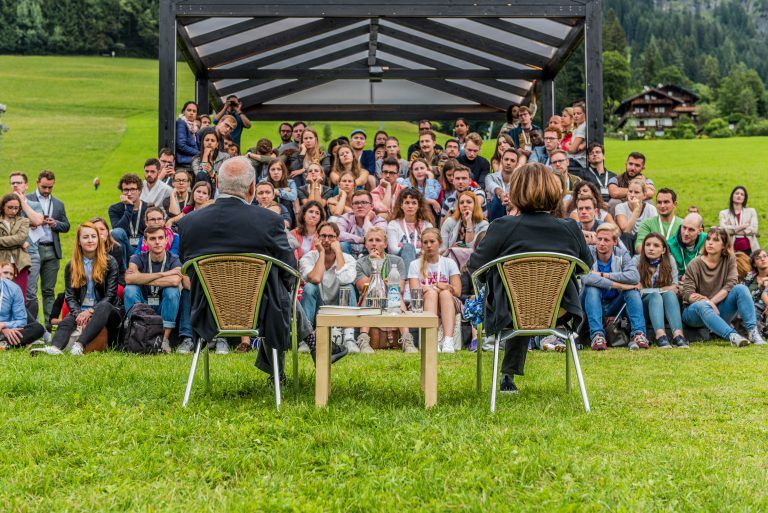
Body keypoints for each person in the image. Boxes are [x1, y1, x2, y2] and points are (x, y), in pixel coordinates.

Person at [468, 163, 592, 393]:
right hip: (559, 311)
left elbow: (474, 266)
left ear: (516, 192)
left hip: (511, 312)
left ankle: (507, 376)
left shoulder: (502, 226)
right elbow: (586, 266)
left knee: (514, 295)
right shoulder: (570, 228)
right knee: (523, 294)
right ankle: (508, 375)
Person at [178, 157, 300, 380]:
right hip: (262, 314)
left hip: (208, 312)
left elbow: (187, 268)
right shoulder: (268, 221)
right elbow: (290, 269)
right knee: (278, 288)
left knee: (276, 286)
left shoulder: (189, 223)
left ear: (217, 184)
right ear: (252, 188)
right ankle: (295, 356)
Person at [31, 222, 121, 356]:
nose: (90, 240)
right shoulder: (71, 266)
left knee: (104, 306)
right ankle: (55, 348)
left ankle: (79, 345)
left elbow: (110, 296)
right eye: (85, 237)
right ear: (79, 241)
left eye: (93, 236)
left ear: (98, 239)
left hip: (109, 312)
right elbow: (70, 296)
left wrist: (90, 311)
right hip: (82, 310)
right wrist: (78, 312)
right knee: (68, 320)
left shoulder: (110, 262)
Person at [681, 227, 766, 347]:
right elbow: (687, 294)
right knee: (702, 305)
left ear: (724, 245)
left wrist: (711, 302)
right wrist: (707, 303)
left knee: (741, 289)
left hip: (719, 309)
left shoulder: (729, 260)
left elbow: (731, 284)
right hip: (694, 313)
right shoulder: (695, 264)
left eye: (715, 240)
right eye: (708, 239)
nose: (710, 242)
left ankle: (753, 332)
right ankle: (733, 336)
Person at [581, 223, 649, 351]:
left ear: (615, 242)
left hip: (614, 304)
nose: (601, 243)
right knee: (592, 287)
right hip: (590, 301)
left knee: (632, 291)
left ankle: (639, 334)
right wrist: (620, 285)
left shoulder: (622, 254)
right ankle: (597, 336)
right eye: (599, 239)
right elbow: (586, 277)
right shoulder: (588, 252)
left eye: (606, 240)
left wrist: (603, 275)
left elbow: (634, 277)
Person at [125, 225, 191, 354]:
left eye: (161, 238)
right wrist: (164, 274)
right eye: (152, 238)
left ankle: (163, 340)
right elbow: (129, 279)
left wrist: (142, 278)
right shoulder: (137, 258)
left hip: (163, 306)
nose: (157, 242)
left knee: (172, 290)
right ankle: (138, 335)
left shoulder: (174, 259)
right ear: (145, 242)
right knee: (130, 289)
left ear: (166, 240)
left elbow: (175, 281)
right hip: (143, 304)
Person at [353, 227, 415, 353]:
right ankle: (363, 340)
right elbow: (364, 287)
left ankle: (407, 340)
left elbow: (401, 288)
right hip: (369, 300)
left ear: (385, 244)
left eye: (378, 240)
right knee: (371, 292)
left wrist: (390, 284)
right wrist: (375, 265)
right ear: (365, 244)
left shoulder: (397, 261)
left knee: (395, 292)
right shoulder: (360, 263)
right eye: (370, 240)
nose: (374, 243)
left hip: (392, 300)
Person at [299, 222, 358, 351]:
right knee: (309, 287)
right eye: (323, 236)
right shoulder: (308, 257)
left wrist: (338, 251)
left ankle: (349, 338)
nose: (326, 240)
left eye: (331, 236)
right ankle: (306, 339)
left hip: (339, 306)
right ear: (317, 238)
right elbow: (315, 278)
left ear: (337, 239)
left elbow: (344, 279)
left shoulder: (348, 259)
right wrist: (321, 254)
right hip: (317, 308)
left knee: (347, 287)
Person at [408, 228, 462, 353]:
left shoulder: (449, 263)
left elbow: (458, 291)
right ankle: (432, 340)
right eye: (425, 242)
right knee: (432, 293)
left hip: (448, 301)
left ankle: (448, 340)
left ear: (440, 243)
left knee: (445, 294)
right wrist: (433, 288)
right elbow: (414, 292)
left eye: (432, 241)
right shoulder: (414, 264)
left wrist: (444, 287)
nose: (428, 245)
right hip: (425, 302)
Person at [28, 170, 69, 331]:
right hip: (33, 248)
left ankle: (48, 325)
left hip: (52, 250)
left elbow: (66, 226)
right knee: (30, 290)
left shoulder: (58, 203)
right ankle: (33, 324)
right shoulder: (28, 199)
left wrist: (55, 223)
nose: (46, 190)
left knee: (48, 290)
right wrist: (31, 223)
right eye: (44, 187)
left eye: (50, 187)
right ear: (37, 182)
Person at [633, 233, 687, 348]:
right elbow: (636, 290)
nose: (651, 248)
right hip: (642, 307)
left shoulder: (669, 260)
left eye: (656, 245)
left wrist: (665, 290)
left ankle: (678, 335)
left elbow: (675, 287)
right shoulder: (636, 261)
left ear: (663, 250)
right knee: (655, 296)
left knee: (670, 294)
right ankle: (660, 336)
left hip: (664, 306)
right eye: (647, 245)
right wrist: (661, 289)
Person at [10, 172, 45, 319]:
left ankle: (33, 326)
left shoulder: (35, 204)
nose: (15, 185)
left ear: (26, 185)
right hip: (11, 255)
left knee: (30, 292)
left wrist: (22, 202)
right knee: (11, 290)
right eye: (13, 183)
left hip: (31, 253)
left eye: (19, 182)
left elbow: (37, 221)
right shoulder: (6, 205)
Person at [387, 188, 435, 272]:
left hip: (422, 262)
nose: (410, 206)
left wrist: (412, 251)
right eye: (407, 203)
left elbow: (430, 247)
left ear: (418, 206)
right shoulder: (393, 224)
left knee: (409, 249)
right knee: (408, 248)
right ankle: (408, 281)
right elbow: (393, 249)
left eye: (414, 203)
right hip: (399, 264)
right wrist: (412, 251)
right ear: (401, 205)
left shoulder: (427, 225)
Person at [0, 260, 44, 350]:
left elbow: (21, 320)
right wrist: (3, 329)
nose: (8, 276)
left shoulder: (14, 289)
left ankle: (4, 343)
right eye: (5, 273)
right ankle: (9, 344)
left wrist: (4, 325)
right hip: (5, 330)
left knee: (38, 328)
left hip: (8, 329)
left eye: (11, 274)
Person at [440, 191, 488, 269]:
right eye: (461, 203)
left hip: (473, 265)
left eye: (469, 202)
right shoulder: (449, 222)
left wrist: (469, 221)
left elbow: (472, 248)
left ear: (475, 205)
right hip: (451, 263)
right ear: (458, 206)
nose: (465, 205)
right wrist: (451, 249)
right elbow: (443, 248)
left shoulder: (483, 225)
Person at [335, 190, 387, 258]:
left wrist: (367, 219)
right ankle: (345, 268)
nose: (359, 206)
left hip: (370, 255)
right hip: (349, 255)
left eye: (364, 202)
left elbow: (376, 237)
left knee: (375, 244)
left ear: (372, 206)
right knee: (342, 245)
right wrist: (361, 240)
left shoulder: (380, 221)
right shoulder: (345, 218)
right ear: (352, 206)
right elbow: (338, 234)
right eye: (356, 203)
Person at [108, 173, 148, 260]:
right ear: (122, 192)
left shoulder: (148, 208)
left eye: (133, 189)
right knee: (116, 232)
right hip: (125, 247)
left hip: (145, 247)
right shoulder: (114, 209)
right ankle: (124, 271)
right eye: (126, 190)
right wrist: (129, 208)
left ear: (140, 191)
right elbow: (118, 231)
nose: (129, 193)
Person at [614, 178, 658, 253]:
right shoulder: (620, 207)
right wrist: (636, 210)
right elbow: (626, 230)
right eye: (630, 191)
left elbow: (654, 232)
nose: (632, 195)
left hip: (644, 242)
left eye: (636, 192)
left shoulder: (651, 209)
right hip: (627, 243)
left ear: (644, 195)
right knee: (626, 236)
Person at [0, 193, 30, 297]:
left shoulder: (24, 221)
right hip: (1, 263)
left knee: (19, 296)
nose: (13, 211)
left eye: (16, 208)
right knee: (2, 297)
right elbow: (18, 240)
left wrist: (20, 241)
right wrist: (18, 243)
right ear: (3, 206)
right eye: (10, 207)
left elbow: (21, 238)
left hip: (20, 264)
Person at [634, 188, 682, 253]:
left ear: (674, 204)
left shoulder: (683, 225)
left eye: (666, 202)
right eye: (659, 202)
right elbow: (639, 246)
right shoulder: (647, 223)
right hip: (651, 261)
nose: (662, 206)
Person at [719, 186, 759, 255]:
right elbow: (723, 230)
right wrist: (743, 226)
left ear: (744, 198)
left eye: (742, 194)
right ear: (732, 196)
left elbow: (754, 229)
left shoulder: (751, 211)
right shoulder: (723, 213)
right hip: (731, 250)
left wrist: (732, 230)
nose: (739, 196)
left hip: (749, 250)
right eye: (737, 193)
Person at [89, 217, 126, 287]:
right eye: (95, 230)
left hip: (113, 282)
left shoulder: (115, 248)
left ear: (108, 232)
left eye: (102, 229)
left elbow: (109, 272)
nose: (99, 232)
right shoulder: (86, 248)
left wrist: (101, 247)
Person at [485, 148, 519, 221]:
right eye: (506, 159)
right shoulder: (490, 177)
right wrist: (501, 194)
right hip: (495, 213)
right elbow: (492, 187)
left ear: (516, 164)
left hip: (514, 214)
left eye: (512, 160)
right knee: (497, 199)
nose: (508, 162)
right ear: (501, 160)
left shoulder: (520, 180)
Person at [263, 158, 298, 222]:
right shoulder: (264, 181)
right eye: (273, 169)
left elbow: (293, 196)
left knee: (287, 201)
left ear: (283, 171)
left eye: (279, 169)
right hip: (269, 210)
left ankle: (288, 226)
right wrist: (282, 190)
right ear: (269, 171)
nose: (276, 172)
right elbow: (262, 194)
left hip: (287, 213)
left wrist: (278, 192)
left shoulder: (290, 182)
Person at [743, 249, 768, 337]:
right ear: (754, 263)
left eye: (765, 256)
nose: (762, 259)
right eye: (758, 258)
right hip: (750, 307)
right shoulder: (749, 276)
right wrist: (761, 287)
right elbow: (743, 293)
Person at [175, 101, 199, 168]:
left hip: (192, 160)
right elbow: (181, 145)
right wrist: (199, 153)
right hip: (184, 161)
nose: (191, 113)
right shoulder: (181, 123)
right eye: (189, 110)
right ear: (183, 112)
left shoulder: (194, 127)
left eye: (194, 111)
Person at [566, 102, 587, 171]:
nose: (576, 116)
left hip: (579, 161)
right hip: (574, 159)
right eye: (574, 114)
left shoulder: (582, 127)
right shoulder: (578, 128)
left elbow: (572, 150)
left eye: (579, 113)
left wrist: (567, 145)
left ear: (585, 114)